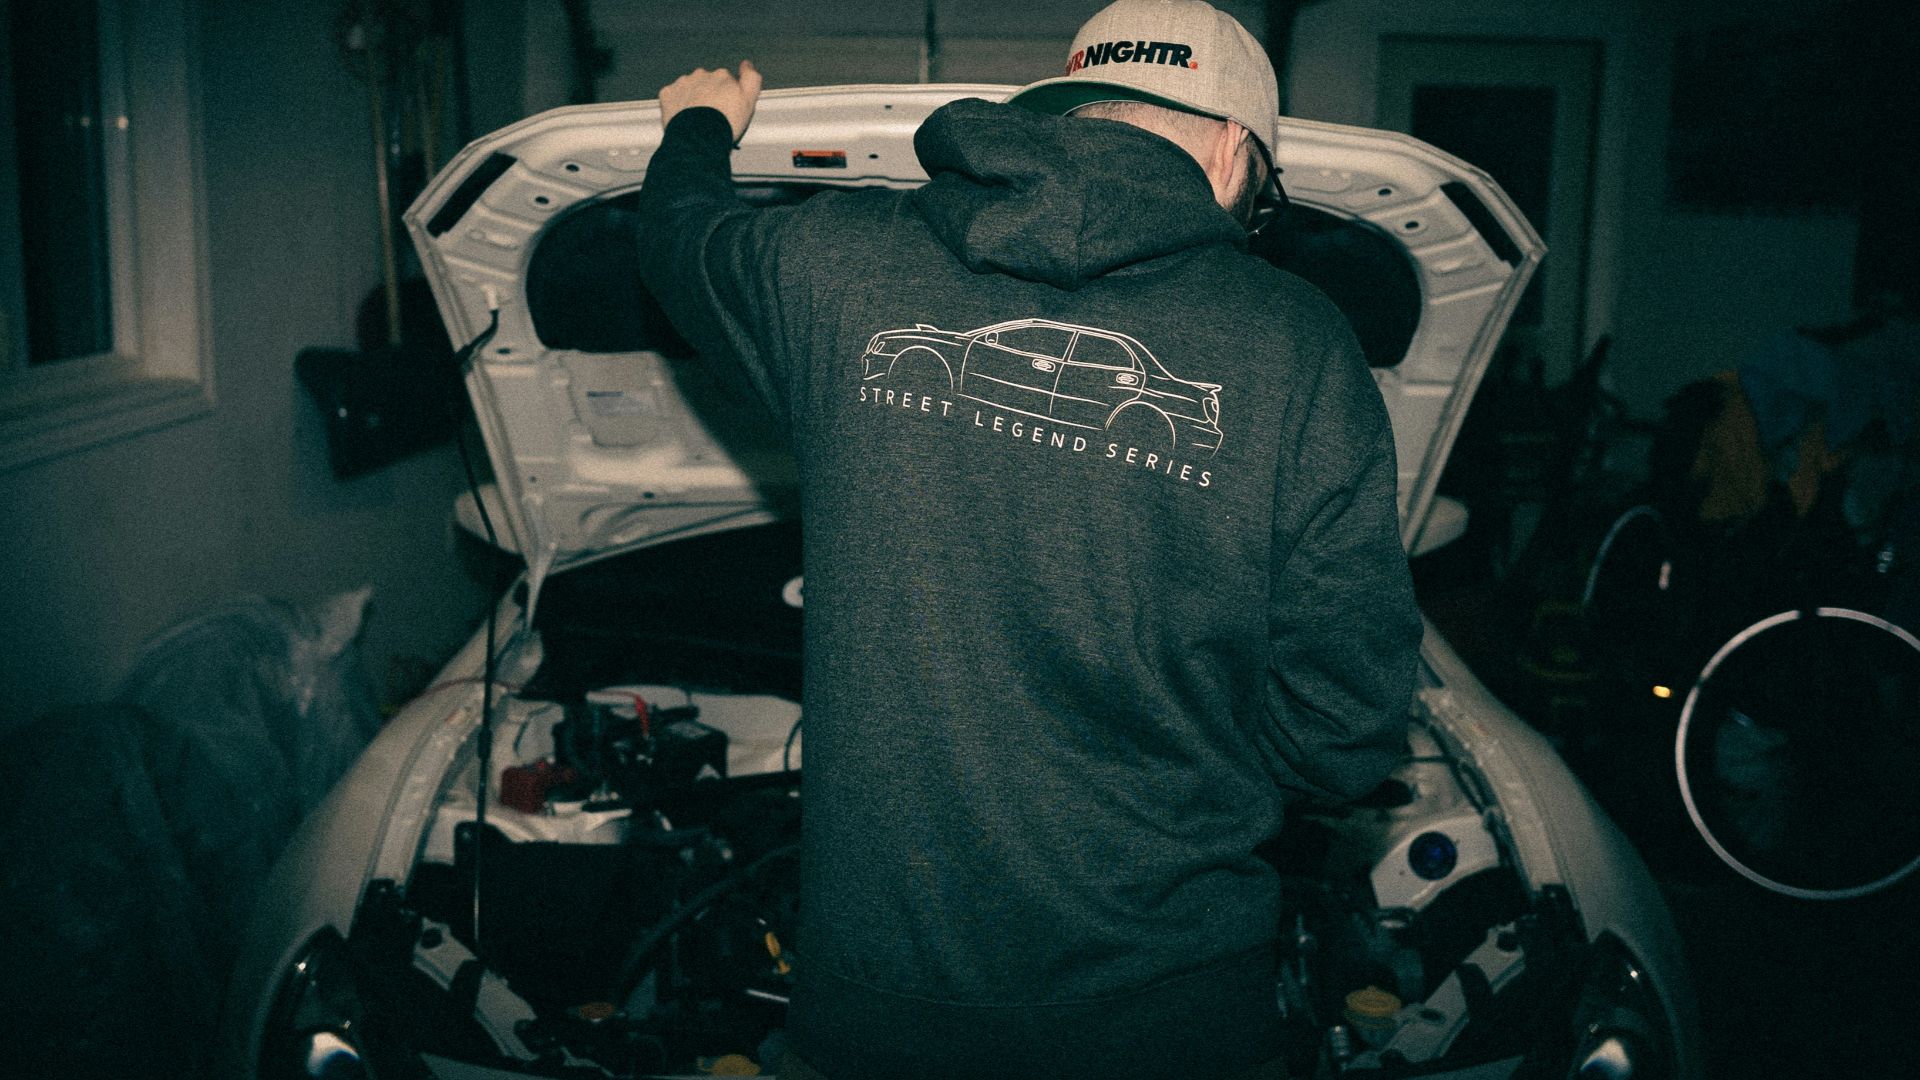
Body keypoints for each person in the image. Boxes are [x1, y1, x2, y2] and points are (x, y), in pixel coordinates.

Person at [633, 2, 1421, 1077]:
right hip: (1169, 1014)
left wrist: (699, 127)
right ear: (1238, 155)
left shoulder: (838, 268)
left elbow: (681, 242)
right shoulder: (1298, 346)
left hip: (876, 1010)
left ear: (1060, 109)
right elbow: (1345, 728)